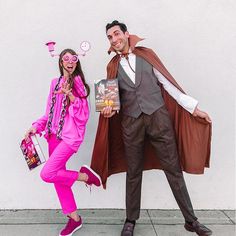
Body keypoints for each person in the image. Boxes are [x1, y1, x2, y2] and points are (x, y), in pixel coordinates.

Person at [91, 20, 213, 236]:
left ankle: (191, 221)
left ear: (126, 34)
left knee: (173, 170)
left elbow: (168, 85)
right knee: (133, 172)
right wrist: (108, 110)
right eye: (110, 37)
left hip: (159, 119)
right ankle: (130, 220)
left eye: (117, 34)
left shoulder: (146, 55)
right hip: (131, 123)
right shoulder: (112, 66)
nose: (114, 39)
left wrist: (194, 109)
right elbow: (112, 100)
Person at [25, 49, 101, 236]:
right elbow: (49, 112)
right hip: (52, 136)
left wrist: (71, 96)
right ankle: (74, 219)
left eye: (73, 59)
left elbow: (83, 116)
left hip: (69, 138)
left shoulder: (79, 85)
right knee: (58, 179)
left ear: (76, 62)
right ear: (60, 62)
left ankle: (86, 177)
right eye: (65, 59)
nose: (70, 62)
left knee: (47, 173)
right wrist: (36, 126)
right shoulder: (54, 83)